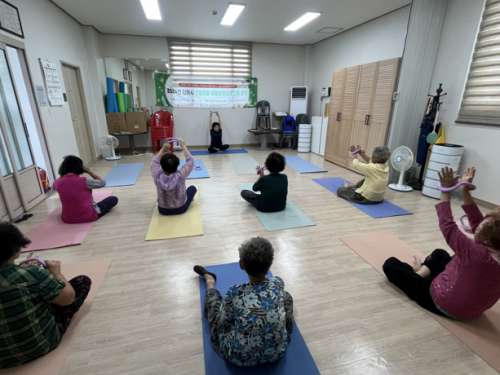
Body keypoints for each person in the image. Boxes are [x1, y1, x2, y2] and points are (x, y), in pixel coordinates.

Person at [383, 167, 500, 319]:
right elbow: (480, 224)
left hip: (443, 302)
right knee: (440, 254)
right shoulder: (493, 244)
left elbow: (448, 227)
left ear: (486, 240)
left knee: (390, 264)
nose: (476, 226)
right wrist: (465, 190)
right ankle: (423, 271)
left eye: (480, 227)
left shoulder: (474, 252)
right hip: (472, 312)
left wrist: (445, 192)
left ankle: (418, 275)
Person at [0, 222, 91, 368]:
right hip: (41, 343)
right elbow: (68, 298)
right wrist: (57, 273)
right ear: (16, 248)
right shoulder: (32, 275)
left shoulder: (24, 274)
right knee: (82, 282)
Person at [194, 237, 294, 367]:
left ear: (241, 264)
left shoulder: (234, 292)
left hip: (238, 357)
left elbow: (223, 323)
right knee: (286, 297)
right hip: (277, 352)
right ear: (270, 263)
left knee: (215, 306)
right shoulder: (278, 283)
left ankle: (209, 280)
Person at [53, 156, 118, 223]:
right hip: (89, 216)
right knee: (113, 199)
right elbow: (102, 183)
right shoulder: (85, 180)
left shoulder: (57, 183)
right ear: (80, 167)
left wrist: (62, 174)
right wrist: (89, 172)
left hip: (67, 219)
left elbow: (54, 186)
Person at [151, 140, 197, 215]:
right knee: (192, 188)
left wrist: (163, 150)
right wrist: (183, 146)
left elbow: (154, 162)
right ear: (177, 165)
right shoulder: (181, 174)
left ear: (161, 166)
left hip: (163, 210)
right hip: (181, 208)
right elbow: (190, 161)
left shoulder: (157, 175)